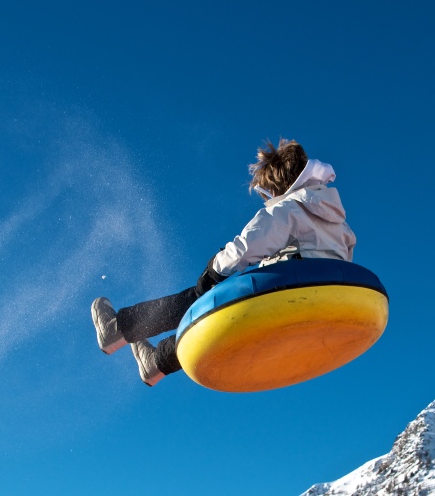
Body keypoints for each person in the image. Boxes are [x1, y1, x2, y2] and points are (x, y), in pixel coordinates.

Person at [90, 139, 356, 386]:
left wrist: (215, 269)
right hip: (326, 304)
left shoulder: (288, 208)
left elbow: (250, 244)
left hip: (290, 296)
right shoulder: (339, 224)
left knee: (202, 299)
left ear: (279, 185)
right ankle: (157, 362)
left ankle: (119, 329)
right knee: (217, 321)